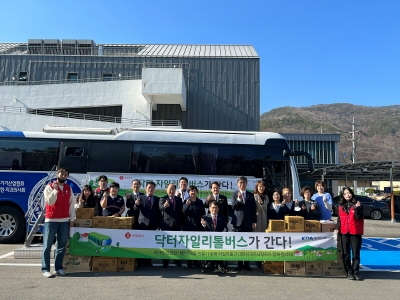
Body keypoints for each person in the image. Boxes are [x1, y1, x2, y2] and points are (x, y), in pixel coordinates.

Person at [41, 167, 75, 278]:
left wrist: (72, 219)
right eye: (61, 173)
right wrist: (55, 190)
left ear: (67, 176)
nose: (63, 175)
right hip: (51, 220)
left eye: (66, 174)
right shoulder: (49, 187)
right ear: (57, 174)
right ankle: (45, 269)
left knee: (61, 246)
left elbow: (71, 205)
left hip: (64, 220)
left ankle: (58, 268)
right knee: (47, 245)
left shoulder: (68, 188)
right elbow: (50, 202)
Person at [334, 187, 364, 280]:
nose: (347, 195)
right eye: (345, 193)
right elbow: (339, 219)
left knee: (356, 254)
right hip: (344, 232)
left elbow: (359, 218)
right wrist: (336, 228)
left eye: (349, 193)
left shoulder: (357, 204)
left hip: (355, 232)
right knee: (345, 254)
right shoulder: (340, 205)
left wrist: (358, 209)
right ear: (343, 195)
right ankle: (349, 272)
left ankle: (356, 272)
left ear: (352, 193)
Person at [231, 176, 257, 271]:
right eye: (240, 183)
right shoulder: (234, 194)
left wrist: (254, 221)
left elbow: (253, 209)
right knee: (239, 244)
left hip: (248, 222)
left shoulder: (250, 195)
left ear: (247, 184)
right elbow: (233, 207)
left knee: (247, 244)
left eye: (244, 182)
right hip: (238, 222)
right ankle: (239, 264)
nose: (242, 184)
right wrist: (238, 199)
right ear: (238, 184)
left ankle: (246, 264)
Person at [134, 181, 161, 267]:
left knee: (150, 244)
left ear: (154, 189)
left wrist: (158, 224)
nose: (150, 189)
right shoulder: (141, 198)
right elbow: (135, 209)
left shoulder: (157, 199)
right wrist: (136, 204)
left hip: (153, 224)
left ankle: (148, 261)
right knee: (141, 243)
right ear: (146, 189)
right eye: (149, 187)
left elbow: (159, 212)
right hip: (142, 224)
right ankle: (140, 261)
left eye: (152, 188)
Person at [159, 183, 183, 268]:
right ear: (166, 190)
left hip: (176, 225)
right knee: (166, 244)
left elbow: (181, 212)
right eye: (170, 189)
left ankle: (177, 260)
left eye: (173, 189)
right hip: (166, 225)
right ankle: (165, 262)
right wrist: (165, 206)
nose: (171, 191)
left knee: (176, 244)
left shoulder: (179, 199)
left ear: (175, 190)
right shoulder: (163, 198)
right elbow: (160, 208)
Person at [182, 185, 205, 268]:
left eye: (194, 190)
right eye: (191, 191)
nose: (193, 192)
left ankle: (196, 262)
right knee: (188, 245)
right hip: (188, 226)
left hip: (197, 226)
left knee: (196, 244)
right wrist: (187, 205)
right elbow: (182, 212)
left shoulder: (200, 202)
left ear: (197, 192)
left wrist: (202, 221)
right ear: (188, 193)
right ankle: (189, 262)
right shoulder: (185, 201)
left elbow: (203, 214)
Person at [201, 200, 228, 271]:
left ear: (218, 209)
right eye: (212, 207)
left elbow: (225, 228)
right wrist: (204, 225)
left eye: (216, 208)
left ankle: (220, 264)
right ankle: (208, 263)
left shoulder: (222, 217)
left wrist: (223, 234)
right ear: (209, 208)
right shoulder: (205, 217)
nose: (214, 209)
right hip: (209, 240)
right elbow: (202, 230)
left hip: (219, 239)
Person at [253, 180, 269, 268]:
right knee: (257, 239)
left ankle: (263, 258)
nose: (261, 188)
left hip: (265, 220)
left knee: (264, 240)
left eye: (263, 186)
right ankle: (257, 259)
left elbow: (267, 209)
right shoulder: (254, 196)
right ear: (257, 188)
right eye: (259, 187)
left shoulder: (266, 197)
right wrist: (259, 205)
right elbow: (254, 210)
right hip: (258, 220)